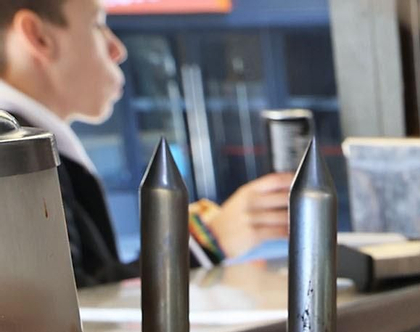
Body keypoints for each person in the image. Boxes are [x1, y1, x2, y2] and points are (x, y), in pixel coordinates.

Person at [0, 0, 292, 287]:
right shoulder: (14, 156)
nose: (118, 50)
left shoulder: (32, 146)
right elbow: (70, 306)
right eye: (97, 24)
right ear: (38, 36)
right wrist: (205, 240)